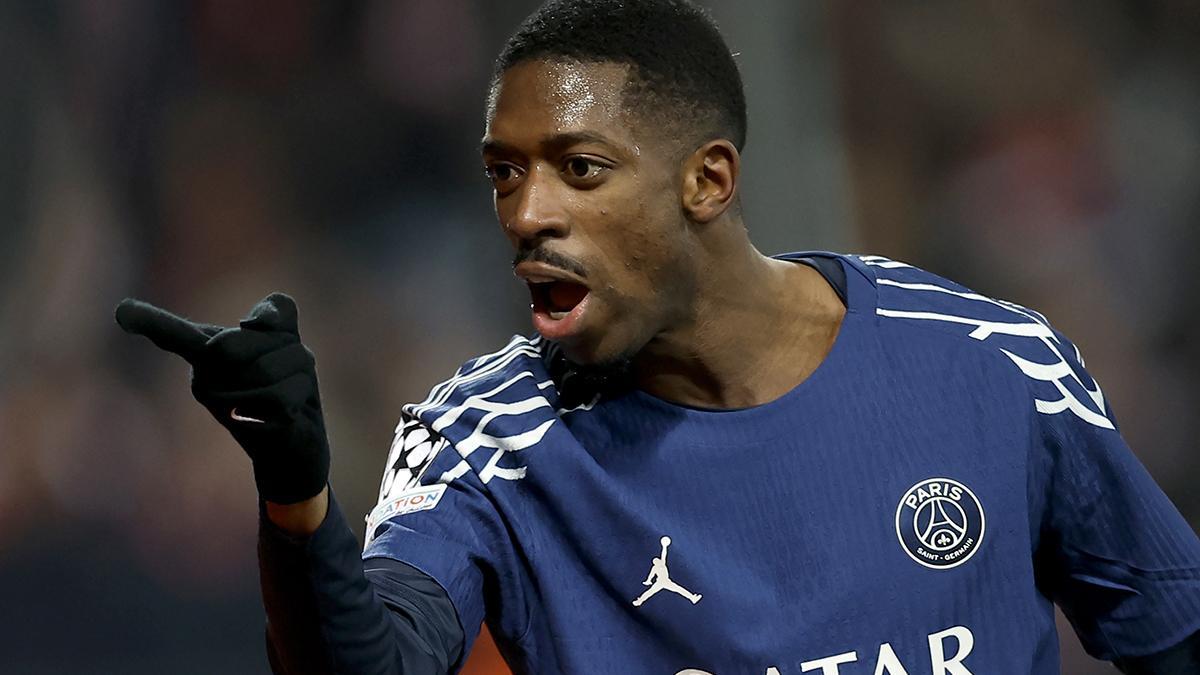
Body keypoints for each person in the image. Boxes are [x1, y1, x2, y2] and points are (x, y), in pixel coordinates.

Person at [115, 0, 1200, 673]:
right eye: (506, 174)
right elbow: (373, 661)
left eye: (579, 170)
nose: (528, 213)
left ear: (708, 181)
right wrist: (298, 497)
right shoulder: (484, 441)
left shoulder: (989, 366)